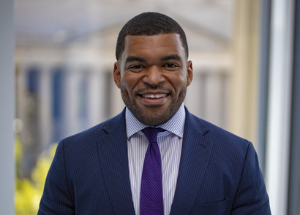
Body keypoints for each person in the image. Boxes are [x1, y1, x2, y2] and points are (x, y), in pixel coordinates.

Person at [38, 12, 271, 215]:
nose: (153, 79)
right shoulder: (73, 157)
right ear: (118, 75)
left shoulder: (237, 158)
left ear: (188, 73)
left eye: (169, 65)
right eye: (137, 66)